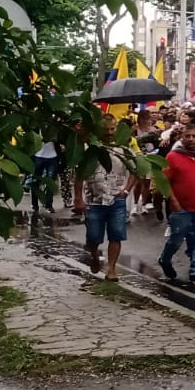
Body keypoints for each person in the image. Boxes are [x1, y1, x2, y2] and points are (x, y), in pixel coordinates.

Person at [158, 118, 195, 287]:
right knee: (176, 239)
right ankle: (165, 259)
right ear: (182, 137)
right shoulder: (173, 156)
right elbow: (164, 180)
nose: (191, 139)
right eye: (187, 136)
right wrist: (174, 200)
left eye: (194, 136)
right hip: (181, 207)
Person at [73, 115, 133, 281]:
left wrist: (126, 190)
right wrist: (78, 198)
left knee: (116, 235)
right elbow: (79, 176)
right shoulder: (90, 150)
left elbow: (136, 170)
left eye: (112, 129)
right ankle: (94, 256)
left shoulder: (123, 150)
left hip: (117, 200)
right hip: (94, 201)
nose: (109, 132)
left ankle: (111, 269)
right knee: (93, 237)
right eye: (105, 129)